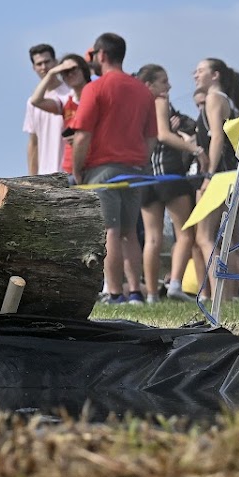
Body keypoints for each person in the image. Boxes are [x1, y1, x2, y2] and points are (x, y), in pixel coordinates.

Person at [67, 33, 157, 304]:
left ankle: (115, 293)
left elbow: (82, 136)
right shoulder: (142, 90)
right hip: (134, 171)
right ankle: (136, 292)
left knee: (111, 231)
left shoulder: (95, 88)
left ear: (102, 55)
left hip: (102, 170)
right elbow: (151, 137)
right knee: (130, 233)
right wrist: (141, 163)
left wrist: (77, 171)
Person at [135, 65, 203, 302]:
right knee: (185, 233)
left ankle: (152, 294)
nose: (169, 86)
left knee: (152, 238)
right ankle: (174, 284)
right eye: (164, 81)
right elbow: (163, 135)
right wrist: (195, 148)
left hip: (145, 175)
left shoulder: (135, 107)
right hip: (168, 172)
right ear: (149, 85)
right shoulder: (160, 101)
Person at [192, 58, 239, 301]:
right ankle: (231, 295)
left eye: (200, 70)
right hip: (230, 173)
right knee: (226, 238)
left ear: (215, 75)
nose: (195, 75)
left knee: (204, 237)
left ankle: (219, 295)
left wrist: (208, 174)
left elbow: (217, 137)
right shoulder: (228, 100)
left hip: (220, 175)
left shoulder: (214, 98)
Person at [29, 53, 91, 180]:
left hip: (92, 165)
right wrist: (52, 73)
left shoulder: (95, 96)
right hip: (69, 168)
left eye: (73, 69)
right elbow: (35, 101)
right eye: (65, 72)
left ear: (83, 69)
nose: (70, 74)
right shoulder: (66, 102)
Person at [23, 44, 69, 176]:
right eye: (39, 64)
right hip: (45, 175)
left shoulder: (70, 93)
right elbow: (33, 142)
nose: (44, 67)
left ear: (55, 62)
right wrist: (32, 178)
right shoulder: (32, 102)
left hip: (69, 172)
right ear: (34, 68)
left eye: (47, 62)